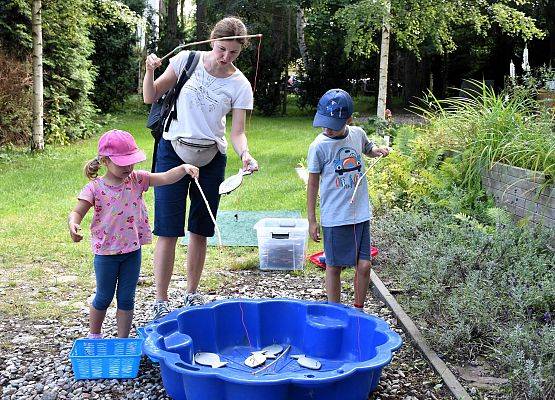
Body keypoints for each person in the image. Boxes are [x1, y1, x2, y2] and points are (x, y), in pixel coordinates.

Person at [143, 16, 258, 319]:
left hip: (211, 158)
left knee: (200, 229)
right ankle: (160, 299)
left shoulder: (240, 84)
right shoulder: (185, 60)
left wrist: (245, 154)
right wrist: (149, 70)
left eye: (233, 52)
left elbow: (237, 132)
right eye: (222, 49)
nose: (225, 57)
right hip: (172, 151)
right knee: (167, 230)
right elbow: (150, 95)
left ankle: (192, 294)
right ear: (211, 41)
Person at [68, 129, 199, 338]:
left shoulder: (137, 180)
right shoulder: (94, 188)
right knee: (103, 296)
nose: (128, 167)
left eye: (131, 161)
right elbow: (77, 211)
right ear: (104, 161)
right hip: (106, 253)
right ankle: (94, 335)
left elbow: (165, 177)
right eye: (122, 163)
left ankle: (123, 340)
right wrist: (73, 224)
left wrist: (183, 168)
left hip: (132, 251)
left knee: (127, 298)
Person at [306, 89, 389, 311]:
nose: (327, 128)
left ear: (349, 120)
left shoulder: (357, 134)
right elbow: (312, 183)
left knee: (364, 264)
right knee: (333, 266)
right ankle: (335, 311)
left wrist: (378, 150)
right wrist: (312, 220)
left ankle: (358, 310)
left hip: (360, 214)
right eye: (324, 123)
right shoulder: (319, 147)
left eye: (333, 124)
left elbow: (368, 148)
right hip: (334, 217)